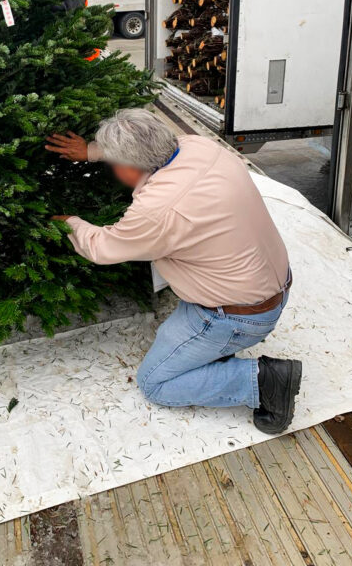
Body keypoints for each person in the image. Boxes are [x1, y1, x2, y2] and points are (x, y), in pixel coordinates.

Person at [46, 108, 301, 434]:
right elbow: (150, 145)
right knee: (172, 339)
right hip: (270, 284)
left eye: (113, 163)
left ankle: (263, 381)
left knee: (156, 383)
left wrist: (70, 223)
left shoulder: (158, 209)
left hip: (237, 316)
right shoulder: (199, 147)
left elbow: (102, 247)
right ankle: (215, 354)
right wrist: (91, 152)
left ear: (127, 166)